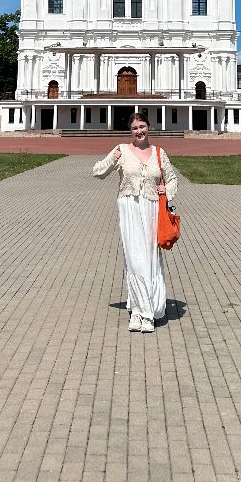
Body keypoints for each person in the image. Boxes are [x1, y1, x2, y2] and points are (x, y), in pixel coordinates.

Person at [93, 111, 179, 333]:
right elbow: (98, 172)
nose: (139, 131)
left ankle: (147, 312)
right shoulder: (122, 150)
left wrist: (166, 190)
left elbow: (172, 179)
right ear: (130, 131)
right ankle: (139, 311)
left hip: (151, 209)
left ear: (148, 127)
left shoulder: (159, 153)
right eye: (134, 128)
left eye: (142, 127)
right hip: (129, 208)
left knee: (149, 260)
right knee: (135, 261)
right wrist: (112, 159)